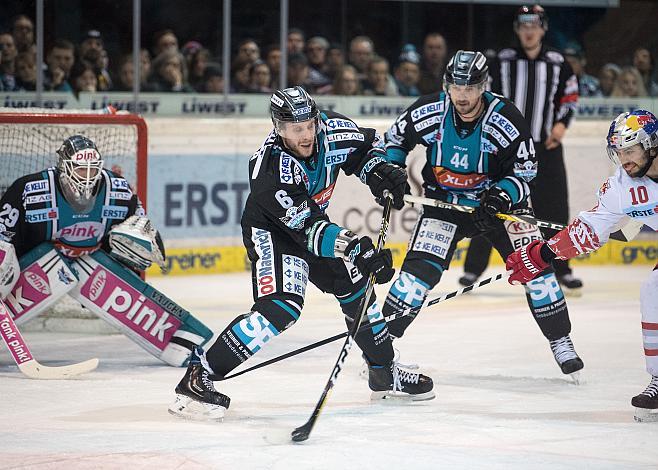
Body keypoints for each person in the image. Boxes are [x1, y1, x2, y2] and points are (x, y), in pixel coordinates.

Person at [168, 86, 435, 420]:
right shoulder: (269, 168)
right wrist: (356, 249)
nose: (307, 134)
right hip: (274, 233)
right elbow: (305, 228)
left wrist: (380, 173)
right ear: (278, 128)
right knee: (281, 309)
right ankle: (199, 375)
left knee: (357, 288)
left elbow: (366, 151)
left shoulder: (331, 129)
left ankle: (384, 372)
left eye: (309, 124)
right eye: (297, 129)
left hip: (315, 225)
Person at [381, 50, 583, 379]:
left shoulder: (506, 116)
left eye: (470, 88)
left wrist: (500, 197)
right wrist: (391, 172)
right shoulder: (430, 109)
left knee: (538, 269)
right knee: (416, 276)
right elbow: (395, 140)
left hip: (499, 205)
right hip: (446, 203)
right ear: (447, 85)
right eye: (456, 87)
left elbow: (526, 172)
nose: (462, 96)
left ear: (483, 86)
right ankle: (382, 347)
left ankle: (561, 340)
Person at [0, 134, 213, 367]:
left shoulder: (119, 190)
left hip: (91, 261)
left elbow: (141, 230)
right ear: (64, 167)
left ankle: (180, 341)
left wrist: (132, 257)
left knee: (116, 288)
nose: (88, 176)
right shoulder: (30, 189)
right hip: (36, 261)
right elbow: (4, 234)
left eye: (93, 170)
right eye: (81, 169)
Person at [506, 109, 658, 421]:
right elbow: (590, 230)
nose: (624, 160)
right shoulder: (621, 187)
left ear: (651, 144)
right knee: (653, 292)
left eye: (630, 151)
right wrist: (544, 254)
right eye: (618, 152)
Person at [459, 5, 582, 295]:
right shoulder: (502, 60)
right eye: (524, 25)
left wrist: (562, 125)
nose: (529, 31)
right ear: (517, 29)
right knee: (491, 203)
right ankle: (473, 269)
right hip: (506, 148)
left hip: (546, 147)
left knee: (555, 209)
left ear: (543, 28)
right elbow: (485, 99)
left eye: (534, 25)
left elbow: (571, 96)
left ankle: (562, 268)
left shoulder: (558, 61)